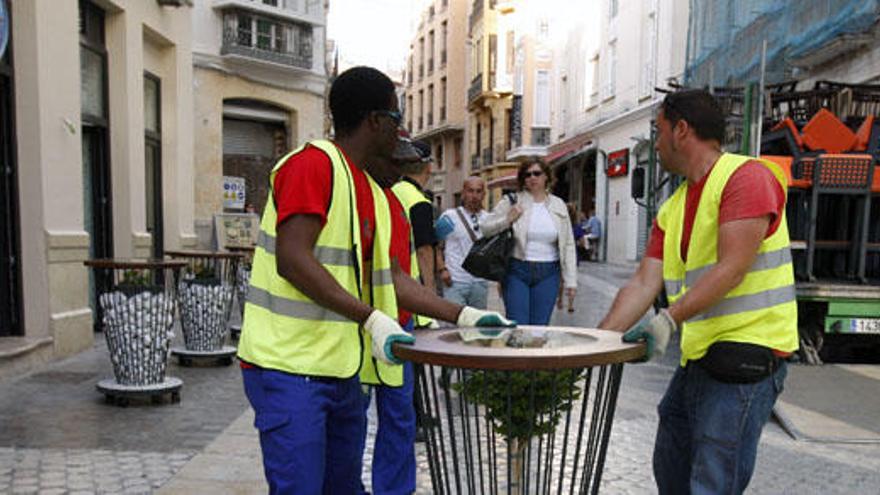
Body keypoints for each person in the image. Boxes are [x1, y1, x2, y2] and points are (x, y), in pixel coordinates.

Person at [237, 66, 513, 494]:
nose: (400, 130)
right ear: (375, 121)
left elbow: (392, 278)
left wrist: (464, 315)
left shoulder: (369, 190)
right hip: (287, 367)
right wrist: (370, 318)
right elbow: (293, 259)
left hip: (339, 369)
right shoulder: (312, 165)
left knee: (343, 487)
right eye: (397, 117)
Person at [597, 89, 798, 494]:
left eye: (659, 132)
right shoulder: (673, 206)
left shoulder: (747, 177)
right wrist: (594, 343)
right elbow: (642, 283)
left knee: (712, 482)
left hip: (748, 358)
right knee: (671, 462)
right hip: (702, 358)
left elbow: (732, 268)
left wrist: (668, 319)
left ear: (681, 130)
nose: (655, 144)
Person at [360, 137, 513, 495]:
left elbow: (396, 270)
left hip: (389, 316)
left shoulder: (391, 203)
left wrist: (457, 314)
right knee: (389, 415)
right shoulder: (410, 201)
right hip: (383, 319)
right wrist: (430, 298)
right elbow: (423, 253)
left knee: (387, 412)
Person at [480, 158, 578, 325]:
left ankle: (536, 352)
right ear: (522, 179)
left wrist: (571, 280)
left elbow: (568, 243)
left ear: (546, 176)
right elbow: (485, 228)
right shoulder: (511, 201)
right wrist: (508, 219)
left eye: (537, 173)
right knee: (518, 327)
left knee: (540, 327)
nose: (532, 177)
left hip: (549, 271)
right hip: (517, 269)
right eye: (527, 174)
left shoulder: (558, 204)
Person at [391, 137, 439, 325]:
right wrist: (430, 294)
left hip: (390, 286)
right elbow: (424, 250)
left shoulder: (392, 191)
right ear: (429, 169)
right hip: (413, 292)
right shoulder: (419, 202)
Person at [434, 176, 490, 308]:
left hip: (480, 283)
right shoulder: (449, 217)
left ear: (484, 194)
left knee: (478, 326)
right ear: (463, 193)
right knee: (455, 324)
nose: (474, 196)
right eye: (470, 191)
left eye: (478, 191)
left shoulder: (489, 219)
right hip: (455, 282)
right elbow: (437, 247)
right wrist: (442, 270)